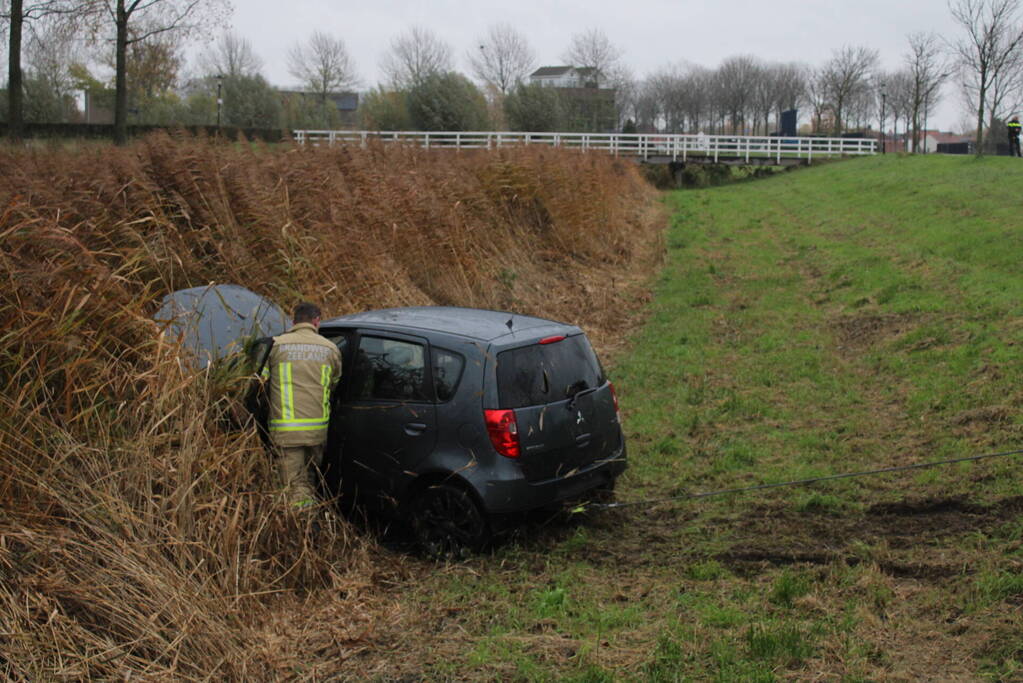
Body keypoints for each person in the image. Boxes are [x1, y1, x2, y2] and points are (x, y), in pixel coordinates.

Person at [263, 302, 342, 509]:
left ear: (294, 321)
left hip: (287, 432)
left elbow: (259, 383)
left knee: (292, 487)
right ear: (317, 321)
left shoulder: (277, 345)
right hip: (317, 432)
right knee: (308, 480)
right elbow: (334, 384)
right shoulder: (330, 349)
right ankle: (310, 517)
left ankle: (303, 525)